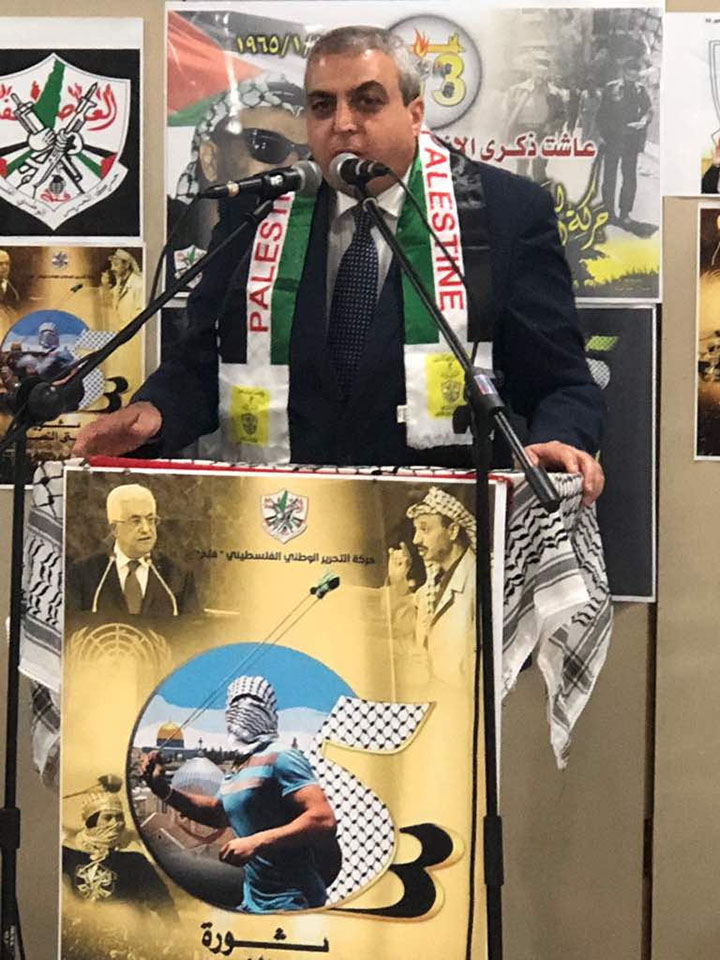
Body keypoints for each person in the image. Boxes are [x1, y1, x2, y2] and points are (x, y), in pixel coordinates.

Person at [74, 25, 605, 507]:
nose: (343, 124)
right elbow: (202, 365)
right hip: (280, 522)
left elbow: (561, 382)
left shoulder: (506, 213)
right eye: (322, 105)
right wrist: (155, 412)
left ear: (415, 113)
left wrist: (561, 438)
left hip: (441, 522)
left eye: (367, 102)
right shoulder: (255, 211)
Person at [141, 675, 338, 913]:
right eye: (235, 704)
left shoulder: (282, 756)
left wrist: (256, 841)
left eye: (252, 703)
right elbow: (218, 813)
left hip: (292, 901)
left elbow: (323, 818)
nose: (241, 711)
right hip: (254, 900)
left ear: (268, 711)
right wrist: (162, 790)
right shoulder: (240, 765)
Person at [168, 75, 308, 265]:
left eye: (306, 153)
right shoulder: (164, 240)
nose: (293, 164)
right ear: (211, 159)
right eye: (267, 144)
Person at [66, 483, 198, 616]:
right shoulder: (83, 574)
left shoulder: (179, 575)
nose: (146, 529)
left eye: (150, 519)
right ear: (114, 529)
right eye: (136, 521)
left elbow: (193, 626)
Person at [388, 487, 476, 685]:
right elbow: (408, 634)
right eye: (416, 530)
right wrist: (399, 583)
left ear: (452, 531)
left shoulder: (478, 582)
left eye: (425, 529)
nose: (416, 539)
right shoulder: (430, 586)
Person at [62, 789, 176, 917]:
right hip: (81, 924)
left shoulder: (134, 859)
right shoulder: (71, 852)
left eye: (119, 817)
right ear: (91, 821)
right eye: (107, 818)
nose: (115, 823)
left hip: (126, 926)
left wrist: (173, 927)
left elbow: (162, 902)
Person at [596, 57, 652, 226]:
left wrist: (643, 121)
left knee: (629, 177)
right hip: (612, 139)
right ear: (624, 72)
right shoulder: (611, 88)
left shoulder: (640, 90)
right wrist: (601, 136)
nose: (632, 77)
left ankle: (625, 213)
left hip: (631, 139)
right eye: (629, 73)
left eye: (635, 74)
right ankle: (608, 212)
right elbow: (601, 113)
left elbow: (648, 110)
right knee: (609, 177)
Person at [503, 52, 567, 183]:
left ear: (548, 73)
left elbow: (562, 116)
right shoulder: (517, 90)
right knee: (521, 167)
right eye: (537, 70)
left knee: (539, 168)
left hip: (542, 133)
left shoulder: (555, 94)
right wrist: (508, 132)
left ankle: (538, 192)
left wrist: (552, 126)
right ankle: (521, 193)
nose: (540, 74)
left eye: (544, 71)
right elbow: (508, 113)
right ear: (531, 70)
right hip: (522, 132)